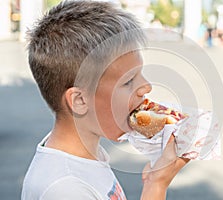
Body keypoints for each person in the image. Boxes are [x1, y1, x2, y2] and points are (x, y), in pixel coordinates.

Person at [21, 1, 189, 199]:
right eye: (128, 81)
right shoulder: (66, 189)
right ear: (80, 101)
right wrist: (156, 185)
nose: (147, 87)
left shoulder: (85, 156)